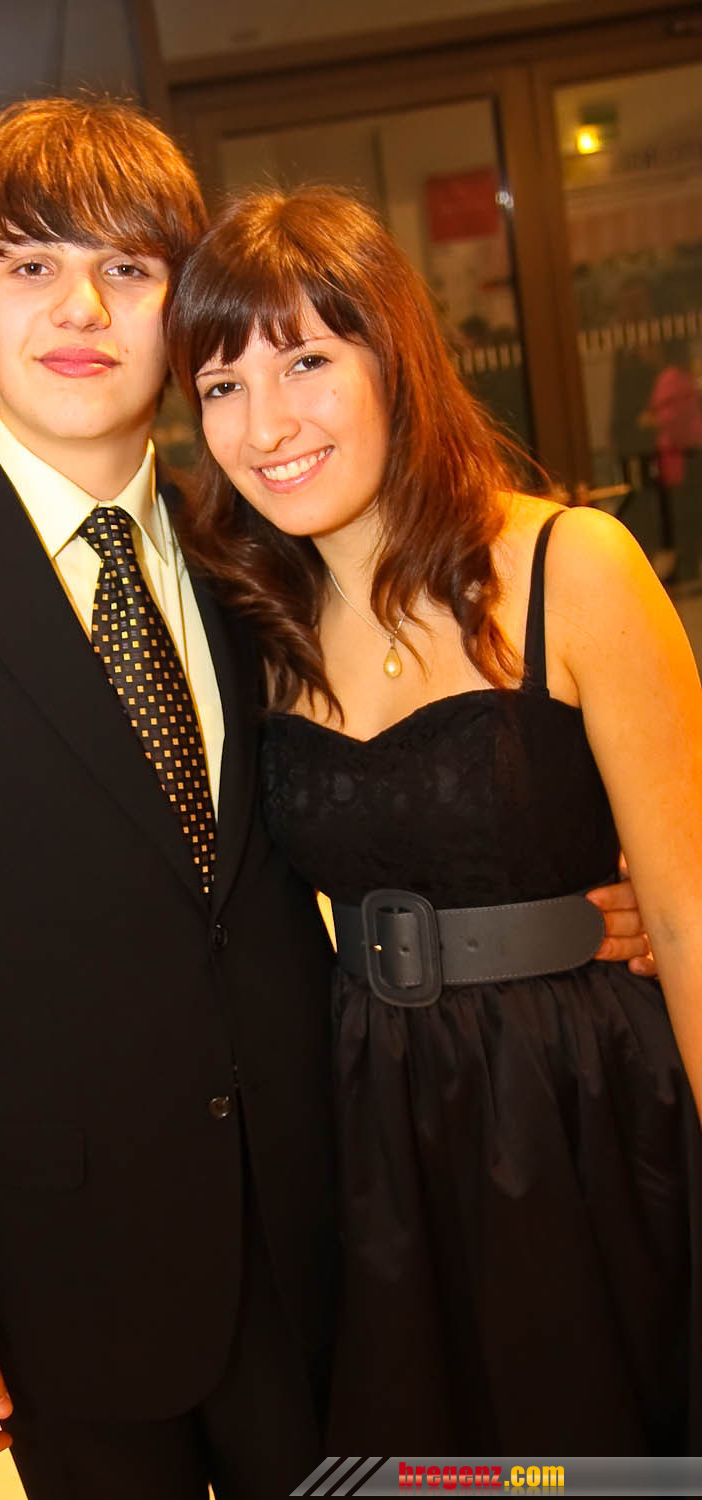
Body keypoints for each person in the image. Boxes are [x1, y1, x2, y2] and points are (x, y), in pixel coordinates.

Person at [0, 105, 645, 1495]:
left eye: (127, 268)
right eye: (32, 268)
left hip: (331, 1226)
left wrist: (565, 915)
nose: (81, 310)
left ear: (182, 312)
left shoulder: (258, 550)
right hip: (64, 1276)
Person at [165, 185, 701, 1455]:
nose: (266, 424)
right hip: (376, 1115)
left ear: (394, 357)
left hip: (586, 1095)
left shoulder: (572, 566)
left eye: (306, 360)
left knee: (613, 1446)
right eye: (223, 385)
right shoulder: (248, 623)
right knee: (449, 1463)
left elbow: (685, 912)